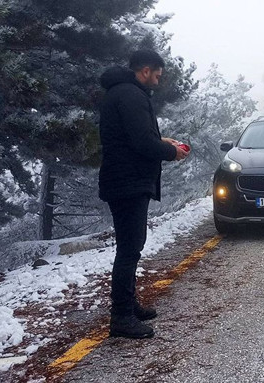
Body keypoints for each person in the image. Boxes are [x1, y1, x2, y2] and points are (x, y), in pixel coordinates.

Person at [98, 50, 189, 339]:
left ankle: (128, 305)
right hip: (128, 181)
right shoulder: (132, 95)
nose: (158, 82)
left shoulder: (122, 93)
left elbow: (131, 136)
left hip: (124, 179)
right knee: (129, 249)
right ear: (146, 70)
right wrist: (171, 151)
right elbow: (140, 142)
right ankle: (121, 316)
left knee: (130, 246)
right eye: (158, 76)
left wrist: (160, 140)